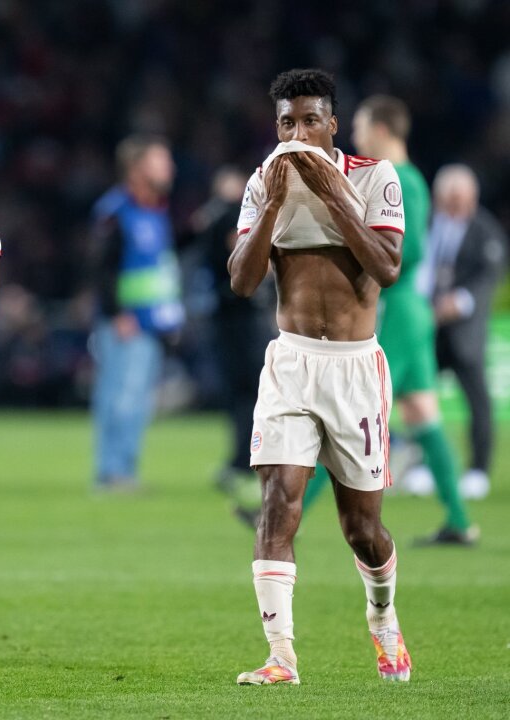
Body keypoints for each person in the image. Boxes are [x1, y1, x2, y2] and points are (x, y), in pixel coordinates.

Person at [229, 69, 410, 685]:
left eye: (310, 120)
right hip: (291, 362)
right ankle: (281, 657)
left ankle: (384, 620)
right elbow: (242, 281)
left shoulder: (373, 176)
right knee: (278, 503)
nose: (298, 133)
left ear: (333, 123)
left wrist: (333, 193)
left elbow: (386, 267)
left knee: (362, 529)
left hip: (355, 369)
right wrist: (277, 202)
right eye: (287, 122)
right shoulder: (263, 183)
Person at [300, 97, 477, 544]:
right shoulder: (405, 178)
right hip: (411, 311)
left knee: (350, 410)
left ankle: (289, 512)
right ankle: (459, 522)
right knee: (423, 414)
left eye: (359, 126)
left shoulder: (400, 179)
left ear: (381, 129)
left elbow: (411, 250)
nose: (354, 135)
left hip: (398, 309)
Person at [87, 136, 184, 490]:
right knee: (120, 398)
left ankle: (122, 469)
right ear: (138, 168)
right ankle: (112, 473)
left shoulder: (155, 210)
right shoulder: (116, 211)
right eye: (161, 161)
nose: (169, 169)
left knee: (137, 401)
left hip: (150, 322)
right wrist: (117, 313)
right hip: (125, 323)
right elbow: (101, 268)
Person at [192, 166, 276, 505]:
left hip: (236, 318)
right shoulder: (229, 216)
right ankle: (246, 460)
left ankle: (250, 461)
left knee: (247, 394)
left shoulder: (212, 217)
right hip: (243, 317)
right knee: (249, 394)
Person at [426, 164, 507, 500]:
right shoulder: (428, 223)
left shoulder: (485, 230)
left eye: (462, 199)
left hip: (465, 332)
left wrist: (459, 301)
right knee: (419, 398)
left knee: (478, 402)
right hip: (429, 328)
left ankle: (477, 469)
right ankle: (424, 465)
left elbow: (490, 274)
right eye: (451, 198)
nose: (457, 205)